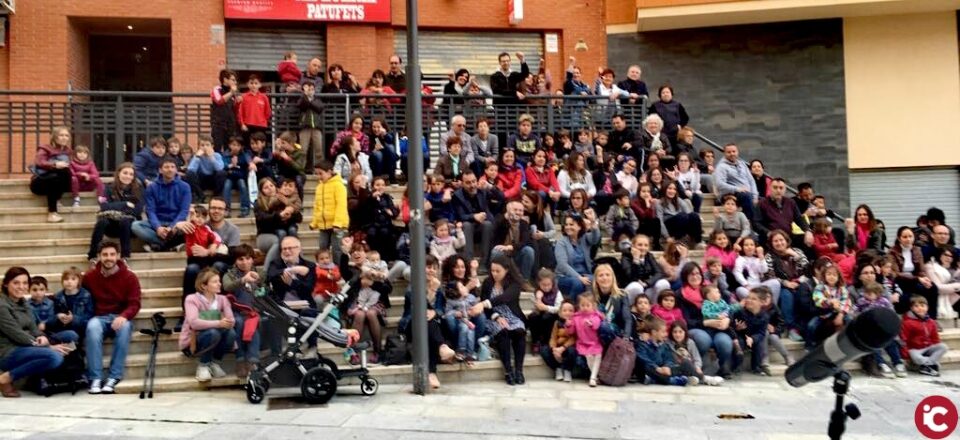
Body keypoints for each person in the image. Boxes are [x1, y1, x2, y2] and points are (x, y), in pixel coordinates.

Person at [0, 267, 76, 398]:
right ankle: (5, 378)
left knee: (70, 338)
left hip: (26, 346)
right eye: (16, 283)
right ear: (6, 284)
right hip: (8, 352)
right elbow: (16, 334)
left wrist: (42, 337)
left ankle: (43, 377)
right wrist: (48, 347)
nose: (21, 287)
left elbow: (34, 328)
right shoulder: (2, 306)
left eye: (24, 283)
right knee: (54, 357)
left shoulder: (24, 304)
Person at [84, 241, 141, 394]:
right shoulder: (90, 277)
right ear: (98, 257)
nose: (108, 258)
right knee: (92, 327)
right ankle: (95, 377)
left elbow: (134, 304)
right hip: (99, 317)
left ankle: (114, 376)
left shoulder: (130, 277)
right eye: (105, 255)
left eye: (112, 254)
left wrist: (123, 316)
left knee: (124, 329)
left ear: (118, 256)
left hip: (120, 317)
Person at [471, 255, 528, 385]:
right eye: (492, 270)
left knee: (519, 331)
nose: (494, 274)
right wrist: (496, 316)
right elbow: (487, 308)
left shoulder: (514, 284)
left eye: (498, 271)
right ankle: (508, 371)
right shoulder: (487, 283)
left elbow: (505, 298)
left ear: (506, 270)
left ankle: (519, 370)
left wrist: (484, 303)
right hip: (494, 317)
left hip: (512, 316)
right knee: (502, 333)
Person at [675, 262, 735, 379]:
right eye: (691, 274)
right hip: (696, 327)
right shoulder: (680, 294)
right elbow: (686, 320)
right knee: (703, 340)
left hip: (718, 327)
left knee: (725, 343)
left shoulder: (711, 289)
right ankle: (697, 368)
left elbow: (727, 307)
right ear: (685, 276)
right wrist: (706, 322)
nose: (695, 276)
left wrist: (727, 320)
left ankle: (722, 368)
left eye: (697, 273)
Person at [180, 268, 236, 382]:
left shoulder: (223, 299)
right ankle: (203, 365)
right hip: (193, 342)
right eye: (215, 282)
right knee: (213, 333)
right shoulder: (192, 299)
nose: (219, 284)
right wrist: (219, 323)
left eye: (219, 281)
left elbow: (231, 321)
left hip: (214, 337)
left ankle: (214, 362)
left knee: (231, 333)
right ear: (204, 286)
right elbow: (194, 323)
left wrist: (226, 322)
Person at [221, 244, 264, 377]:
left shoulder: (259, 273)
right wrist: (243, 280)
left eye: (247, 258)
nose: (245, 262)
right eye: (240, 259)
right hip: (236, 311)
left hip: (254, 311)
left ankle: (252, 361)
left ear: (252, 259)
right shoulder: (229, 275)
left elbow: (266, 290)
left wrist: (260, 282)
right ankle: (240, 360)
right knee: (238, 323)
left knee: (253, 323)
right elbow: (227, 287)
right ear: (235, 261)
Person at [132, 158, 192, 252]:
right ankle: (168, 245)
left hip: (177, 224)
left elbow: (184, 211)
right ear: (160, 170)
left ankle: (159, 245)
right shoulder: (152, 187)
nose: (170, 169)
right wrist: (158, 227)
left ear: (176, 170)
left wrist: (172, 227)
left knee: (192, 228)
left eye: (173, 167)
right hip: (158, 222)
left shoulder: (185, 187)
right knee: (136, 226)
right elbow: (150, 210)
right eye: (166, 167)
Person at [87, 162, 143, 262]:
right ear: (118, 174)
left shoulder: (138, 190)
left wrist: (114, 207)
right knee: (102, 222)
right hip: (111, 226)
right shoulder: (108, 188)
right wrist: (125, 204)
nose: (128, 176)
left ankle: (125, 256)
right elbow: (104, 206)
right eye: (125, 173)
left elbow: (137, 211)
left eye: (131, 174)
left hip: (129, 227)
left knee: (125, 220)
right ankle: (93, 255)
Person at [765, 229, 810, 342]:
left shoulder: (796, 251)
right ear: (771, 243)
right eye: (775, 241)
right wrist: (786, 283)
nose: (779, 243)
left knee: (802, 293)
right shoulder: (769, 256)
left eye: (781, 240)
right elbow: (769, 275)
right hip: (781, 287)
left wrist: (795, 255)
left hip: (799, 283)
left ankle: (803, 326)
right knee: (786, 295)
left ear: (786, 240)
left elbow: (808, 270)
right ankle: (791, 328)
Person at [889, 226, 939, 318]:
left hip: (915, 280)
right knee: (909, 295)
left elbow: (921, 270)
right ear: (899, 238)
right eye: (905, 237)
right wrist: (918, 279)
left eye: (910, 236)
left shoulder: (917, 250)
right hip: (900, 281)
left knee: (932, 287)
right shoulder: (892, 252)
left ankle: (932, 318)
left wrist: (925, 279)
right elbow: (895, 273)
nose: (908, 239)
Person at [30, 126, 74, 223]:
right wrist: (55, 164)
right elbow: (39, 162)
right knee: (58, 174)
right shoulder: (45, 148)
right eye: (61, 135)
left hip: (58, 181)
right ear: (55, 137)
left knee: (64, 172)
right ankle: (52, 213)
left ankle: (56, 199)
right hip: (41, 182)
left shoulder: (68, 151)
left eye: (66, 135)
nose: (64, 138)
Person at [755, 178, 813, 250]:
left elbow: (799, 218)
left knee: (809, 239)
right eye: (775, 187)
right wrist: (768, 233)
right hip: (770, 238)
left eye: (781, 188)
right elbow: (756, 223)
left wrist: (807, 230)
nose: (778, 190)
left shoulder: (791, 202)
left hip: (788, 236)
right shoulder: (762, 203)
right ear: (770, 188)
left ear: (785, 189)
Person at [635, 316, 693, 386]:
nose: (665, 334)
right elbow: (644, 360)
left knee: (685, 365)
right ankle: (672, 380)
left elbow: (668, 358)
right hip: (650, 371)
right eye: (663, 332)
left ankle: (681, 377)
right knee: (648, 369)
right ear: (654, 332)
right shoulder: (643, 344)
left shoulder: (663, 345)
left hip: (662, 369)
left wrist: (667, 366)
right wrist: (657, 368)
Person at [309, 160, 349, 263]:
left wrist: (338, 223)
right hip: (323, 224)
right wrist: (314, 222)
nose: (319, 176)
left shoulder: (339, 186)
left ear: (330, 171)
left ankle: (339, 271)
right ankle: (324, 269)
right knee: (322, 248)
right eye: (317, 174)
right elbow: (317, 206)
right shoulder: (319, 187)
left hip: (337, 225)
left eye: (321, 173)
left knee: (337, 249)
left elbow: (341, 205)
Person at [555, 213, 601, 300]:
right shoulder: (561, 243)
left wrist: (593, 222)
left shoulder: (584, 238)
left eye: (571, 224)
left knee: (595, 280)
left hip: (585, 274)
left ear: (579, 227)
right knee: (578, 283)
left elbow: (595, 239)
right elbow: (562, 265)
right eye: (566, 224)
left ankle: (591, 308)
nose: (568, 227)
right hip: (565, 276)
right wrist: (579, 277)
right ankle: (571, 306)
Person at [453, 171, 495, 265]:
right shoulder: (457, 196)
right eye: (468, 183)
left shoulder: (482, 192)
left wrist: (490, 187)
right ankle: (469, 262)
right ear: (462, 184)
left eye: (473, 181)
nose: (472, 185)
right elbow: (460, 216)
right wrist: (474, 216)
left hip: (481, 227)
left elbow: (501, 198)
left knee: (488, 224)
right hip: (466, 228)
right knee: (467, 225)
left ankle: (484, 263)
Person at [900, 295, 947, 376]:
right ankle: (931, 365)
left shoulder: (931, 322)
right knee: (916, 357)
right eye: (916, 306)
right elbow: (903, 339)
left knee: (943, 347)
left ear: (927, 307)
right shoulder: (907, 322)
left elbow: (935, 338)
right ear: (911, 308)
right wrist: (905, 354)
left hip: (927, 347)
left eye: (922, 306)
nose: (920, 308)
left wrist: (935, 346)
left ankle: (926, 366)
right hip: (914, 349)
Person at [713, 143, 758, 224]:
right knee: (746, 197)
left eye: (734, 151)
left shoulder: (742, 164)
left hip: (747, 193)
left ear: (737, 152)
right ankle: (751, 224)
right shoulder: (721, 167)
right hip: (731, 194)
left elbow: (751, 180)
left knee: (764, 201)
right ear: (724, 153)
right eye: (729, 152)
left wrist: (755, 196)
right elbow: (719, 184)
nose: (732, 154)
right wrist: (738, 189)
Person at [566, 294, 605, 387]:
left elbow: (597, 324)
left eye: (588, 305)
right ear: (579, 306)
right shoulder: (576, 317)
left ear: (593, 305)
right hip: (583, 343)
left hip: (595, 342)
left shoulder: (595, 315)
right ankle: (595, 376)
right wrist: (568, 325)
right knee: (589, 357)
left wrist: (591, 323)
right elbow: (571, 331)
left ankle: (593, 377)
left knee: (598, 355)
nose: (585, 308)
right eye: (583, 305)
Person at [491, 200, 535, 279]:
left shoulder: (524, 224)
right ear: (509, 211)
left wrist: (511, 247)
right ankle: (497, 278)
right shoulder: (500, 220)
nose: (518, 212)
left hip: (516, 254)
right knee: (496, 251)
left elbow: (524, 241)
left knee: (529, 250)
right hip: (503, 254)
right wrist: (506, 218)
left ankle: (524, 280)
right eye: (515, 210)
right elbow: (495, 234)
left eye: (520, 210)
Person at [732, 287, 771, 376]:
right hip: (740, 335)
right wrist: (736, 328)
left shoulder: (764, 316)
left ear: (762, 302)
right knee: (740, 343)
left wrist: (752, 339)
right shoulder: (740, 312)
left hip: (753, 337)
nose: (749, 300)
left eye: (753, 299)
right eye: (748, 297)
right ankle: (737, 366)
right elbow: (731, 325)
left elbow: (761, 333)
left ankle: (756, 367)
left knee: (759, 345)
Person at [47, 268, 94, 336]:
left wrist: (74, 318)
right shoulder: (58, 297)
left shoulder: (86, 295)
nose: (69, 282)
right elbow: (52, 316)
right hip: (62, 328)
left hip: (79, 328)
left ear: (79, 281)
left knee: (73, 335)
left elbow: (89, 316)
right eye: (66, 279)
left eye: (73, 279)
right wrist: (58, 316)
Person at [528, 268, 563, 355]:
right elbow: (536, 307)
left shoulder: (557, 293)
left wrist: (546, 308)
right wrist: (539, 298)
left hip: (553, 315)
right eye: (543, 285)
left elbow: (559, 309)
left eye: (548, 285)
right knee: (533, 317)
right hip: (541, 314)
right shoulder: (536, 292)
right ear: (539, 283)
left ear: (552, 283)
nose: (546, 287)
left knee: (547, 317)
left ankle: (545, 341)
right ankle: (535, 341)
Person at [657, 181, 702, 246]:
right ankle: (676, 239)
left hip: (681, 224)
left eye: (674, 189)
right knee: (683, 216)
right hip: (669, 227)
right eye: (669, 188)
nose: (672, 191)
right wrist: (667, 236)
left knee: (694, 215)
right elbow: (660, 222)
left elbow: (690, 214)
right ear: (664, 189)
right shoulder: (659, 203)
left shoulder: (679, 200)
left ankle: (698, 241)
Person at [184, 135, 225, 203]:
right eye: (202, 145)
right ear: (199, 147)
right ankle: (200, 196)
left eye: (207, 145)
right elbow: (190, 170)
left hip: (213, 179)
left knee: (222, 173)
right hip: (201, 179)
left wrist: (211, 157)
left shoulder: (217, 155)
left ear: (212, 146)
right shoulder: (197, 156)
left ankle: (216, 196)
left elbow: (219, 168)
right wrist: (197, 157)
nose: (205, 147)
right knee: (189, 174)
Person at [543, 301, 577, 382]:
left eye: (570, 311)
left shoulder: (575, 323)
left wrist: (563, 348)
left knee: (572, 351)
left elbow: (574, 338)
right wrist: (554, 348)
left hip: (568, 347)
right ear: (560, 313)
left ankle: (567, 370)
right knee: (544, 350)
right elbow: (553, 337)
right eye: (564, 310)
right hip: (557, 347)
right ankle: (557, 368)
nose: (567, 313)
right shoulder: (557, 323)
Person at [925, 246, 960, 319]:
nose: (948, 258)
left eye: (951, 256)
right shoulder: (931, 266)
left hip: (951, 298)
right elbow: (938, 288)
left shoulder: (954, 270)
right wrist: (958, 286)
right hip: (935, 297)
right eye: (945, 255)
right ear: (939, 255)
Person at [219, 137, 250, 217]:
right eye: (233, 145)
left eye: (238, 145)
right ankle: (226, 209)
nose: (236, 147)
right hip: (230, 178)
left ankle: (245, 208)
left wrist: (232, 170)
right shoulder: (225, 155)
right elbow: (224, 167)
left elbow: (244, 170)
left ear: (241, 147)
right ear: (229, 145)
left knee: (242, 185)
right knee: (226, 186)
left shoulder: (243, 156)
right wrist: (232, 166)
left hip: (240, 178)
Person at [236, 74, 272, 143]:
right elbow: (240, 112)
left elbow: (268, 112)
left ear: (260, 85)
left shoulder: (264, 97)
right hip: (247, 125)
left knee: (260, 145)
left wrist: (263, 121)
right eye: (251, 83)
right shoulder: (243, 97)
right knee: (248, 145)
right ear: (248, 84)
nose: (253, 85)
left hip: (261, 126)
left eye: (256, 83)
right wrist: (242, 124)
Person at [210, 69, 239, 151]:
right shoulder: (217, 89)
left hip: (230, 125)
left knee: (229, 148)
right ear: (225, 79)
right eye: (233, 80)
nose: (235, 82)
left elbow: (234, 109)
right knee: (217, 148)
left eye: (235, 80)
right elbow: (219, 100)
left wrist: (238, 102)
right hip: (218, 124)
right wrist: (231, 93)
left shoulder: (233, 93)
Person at [273, 131, 307, 198]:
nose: (281, 145)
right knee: (279, 180)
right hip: (285, 174)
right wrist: (277, 150)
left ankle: (300, 202)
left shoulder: (301, 153)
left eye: (283, 143)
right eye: (281, 142)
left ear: (291, 143)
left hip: (297, 174)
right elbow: (274, 163)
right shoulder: (281, 151)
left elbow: (300, 168)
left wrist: (287, 159)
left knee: (299, 181)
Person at [369, 117, 399, 182]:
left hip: (388, 163)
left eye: (378, 127)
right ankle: (377, 180)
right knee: (378, 154)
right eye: (374, 127)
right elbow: (367, 154)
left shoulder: (389, 135)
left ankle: (392, 178)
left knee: (390, 147)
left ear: (383, 127)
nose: (376, 129)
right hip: (375, 163)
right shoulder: (369, 136)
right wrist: (374, 150)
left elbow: (394, 152)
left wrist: (385, 135)